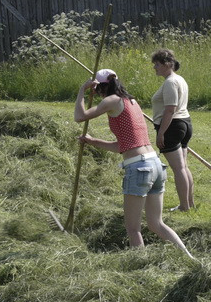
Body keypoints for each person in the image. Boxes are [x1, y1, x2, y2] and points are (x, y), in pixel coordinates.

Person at [75, 69, 195, 259]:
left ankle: (140, 264)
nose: (96, 94)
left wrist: (82, 90)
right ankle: (188, 257)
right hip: (155, 165)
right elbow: (124, 146)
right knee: (156, 224)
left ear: (100, 87)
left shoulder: (111, 100)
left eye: (96, 90)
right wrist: (92, 141)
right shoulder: (132, 102)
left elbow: (80, 116)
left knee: (133, 228)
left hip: (139, 169)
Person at [151, 48, 194, 212]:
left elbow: (170, 109)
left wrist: (161, 132)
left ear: (168, 64)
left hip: (172, 126)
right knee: (183, 167)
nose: (155, 67)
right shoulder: (179, 79)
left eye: (157, 64)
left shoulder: (170, 82)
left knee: (179, 169)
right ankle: (189, 203)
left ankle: (184, 206)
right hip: (185, 123)